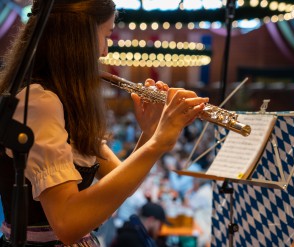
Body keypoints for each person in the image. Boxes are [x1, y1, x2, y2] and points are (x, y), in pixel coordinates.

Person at [0, 0, 209, 246]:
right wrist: (159, 142)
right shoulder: (38, 102)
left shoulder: (63, 101)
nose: (105, 51)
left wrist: (150, 132)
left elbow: (121, 185)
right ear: (78, 39)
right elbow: (68, 224)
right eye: (106, 35)